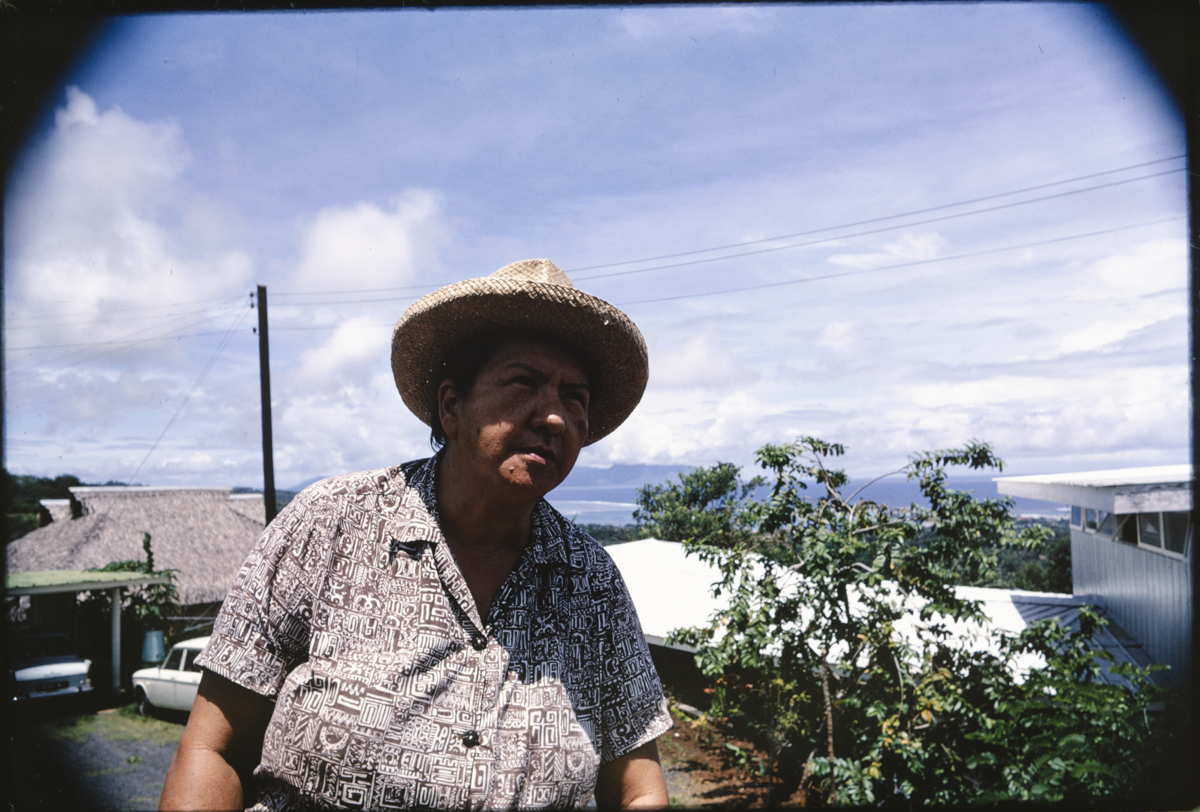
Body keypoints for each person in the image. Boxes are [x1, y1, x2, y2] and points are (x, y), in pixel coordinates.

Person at [160, 259, 672, 811]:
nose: (554, 417)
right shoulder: (329, 524)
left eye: (574, 397)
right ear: (452, 406)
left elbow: (639, 791)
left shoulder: (591, 583)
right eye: (523, 382)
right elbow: (213, 749)